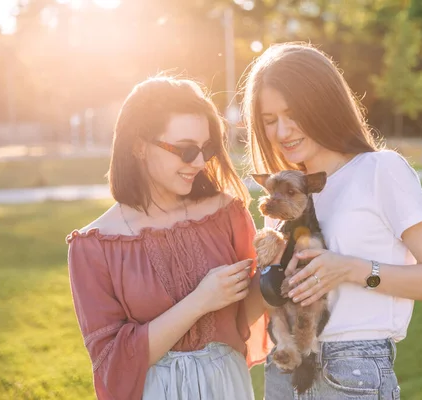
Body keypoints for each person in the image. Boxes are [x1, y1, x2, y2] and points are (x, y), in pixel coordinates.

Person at [241, 42, 422, 400]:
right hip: (285, 367)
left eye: (293, 113)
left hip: (351, 371)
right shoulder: (286, 195)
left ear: (323, 104)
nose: (282, 132)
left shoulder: (379, 171)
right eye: (269, 121)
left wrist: (350, 269)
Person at [66, 76, 271, 400]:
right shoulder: (94, 246)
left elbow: (241, 318)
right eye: (186, 150)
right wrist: (201, 300)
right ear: (138, 146)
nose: (201, 162)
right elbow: (112, 363)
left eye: (207, 148)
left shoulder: (226, 213)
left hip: (227, 386)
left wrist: (278, 271)